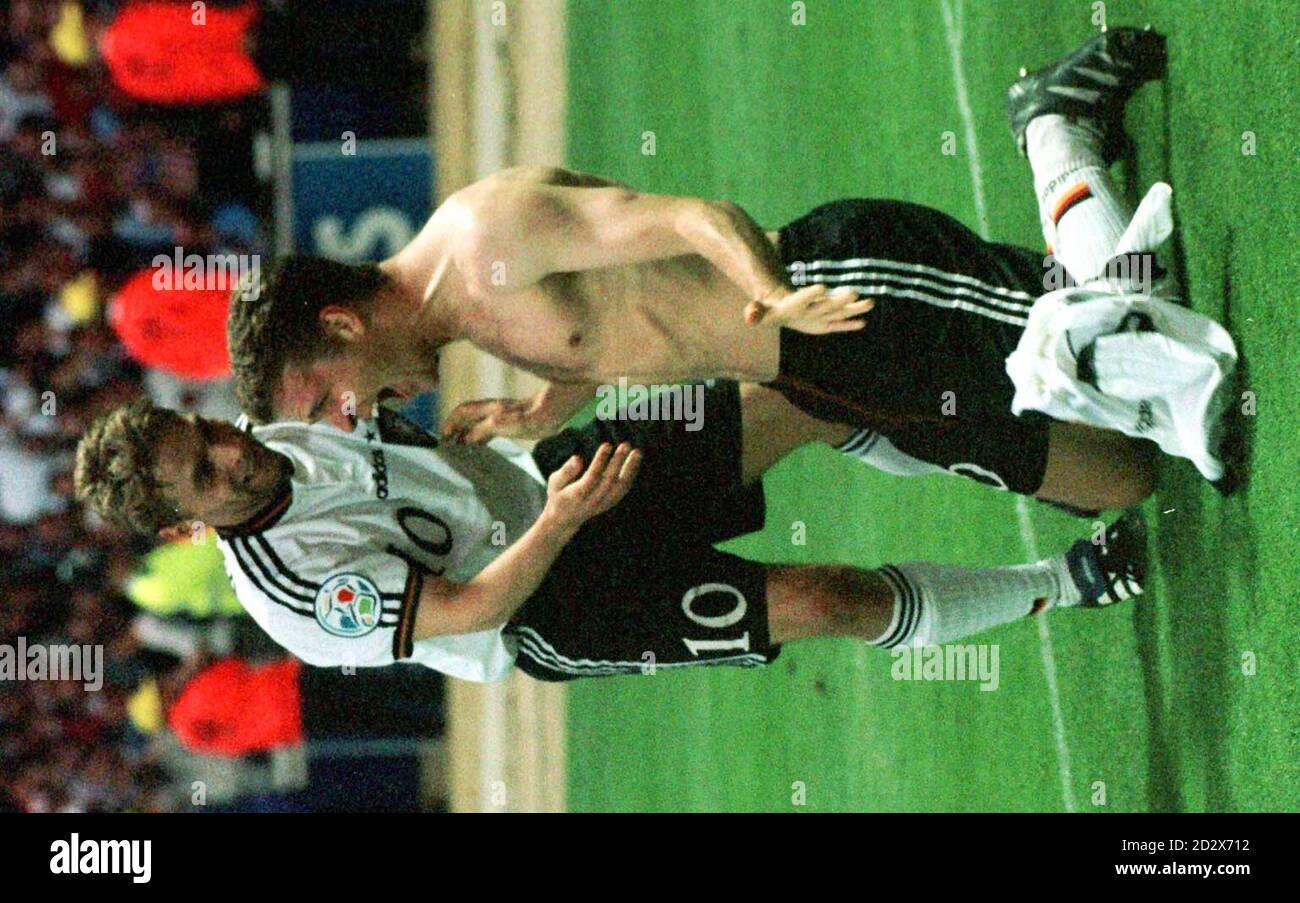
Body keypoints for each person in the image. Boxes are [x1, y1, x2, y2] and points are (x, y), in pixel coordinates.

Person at [225, 29, 1212, 519]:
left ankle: (1053, 126)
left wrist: (775, 292)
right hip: (821, 372)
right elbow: (599, 333)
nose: (352, 419)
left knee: (1126, 340)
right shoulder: (459, 318)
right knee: (1118, 476)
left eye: (327, 400)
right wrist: (544, 410)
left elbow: (698, 222)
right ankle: (1059, 173)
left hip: (837, 290)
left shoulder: (487, 235)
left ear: (343, 328)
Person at [73, 384, 1146, 682]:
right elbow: (469, 606)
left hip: (555, 482)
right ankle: (1064, 579)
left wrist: (494, 424)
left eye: (204, 427)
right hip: (547, 608)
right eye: (205, 473)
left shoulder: (270, 428)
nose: (232, 450)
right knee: (822, 600)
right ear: (183, 523)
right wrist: (553, 518)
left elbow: (396, 442)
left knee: (803, 391)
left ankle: (1058, 466)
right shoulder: (298, 594)